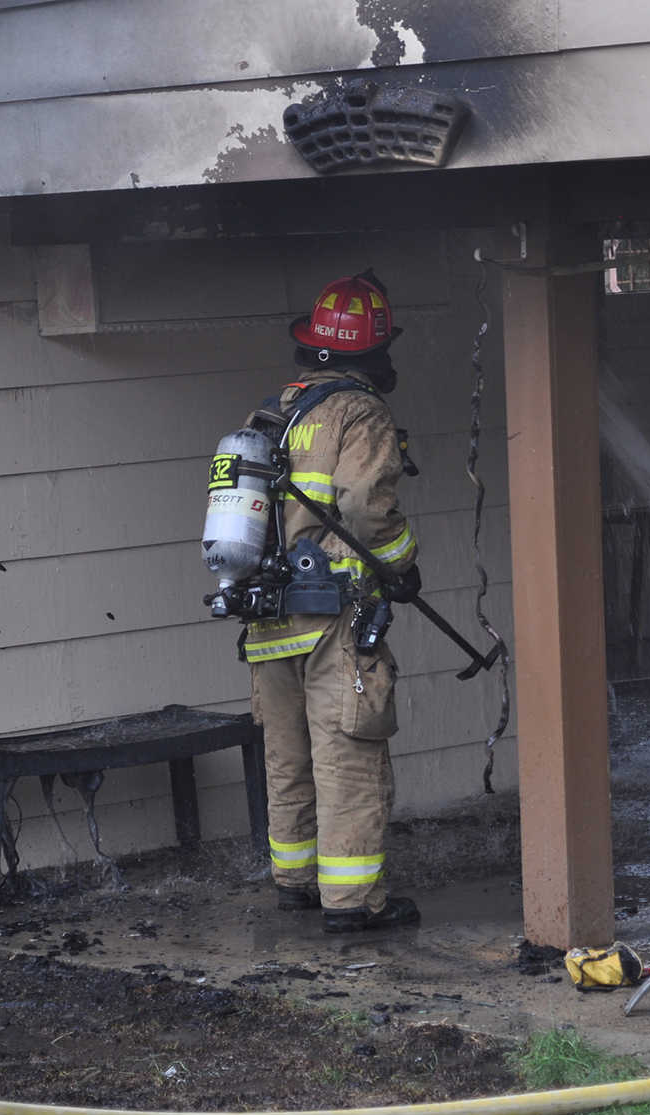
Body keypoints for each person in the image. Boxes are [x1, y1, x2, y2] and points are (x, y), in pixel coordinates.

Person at [242, 272, 422, 932]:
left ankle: (295, 882)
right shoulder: (359, 411)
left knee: (287, 753)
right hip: (332, 614)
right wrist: (403, 565)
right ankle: (352, 903)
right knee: (348, 753)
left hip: (265, 614)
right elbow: (366, 509)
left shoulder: (269, 412)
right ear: (372, 352)